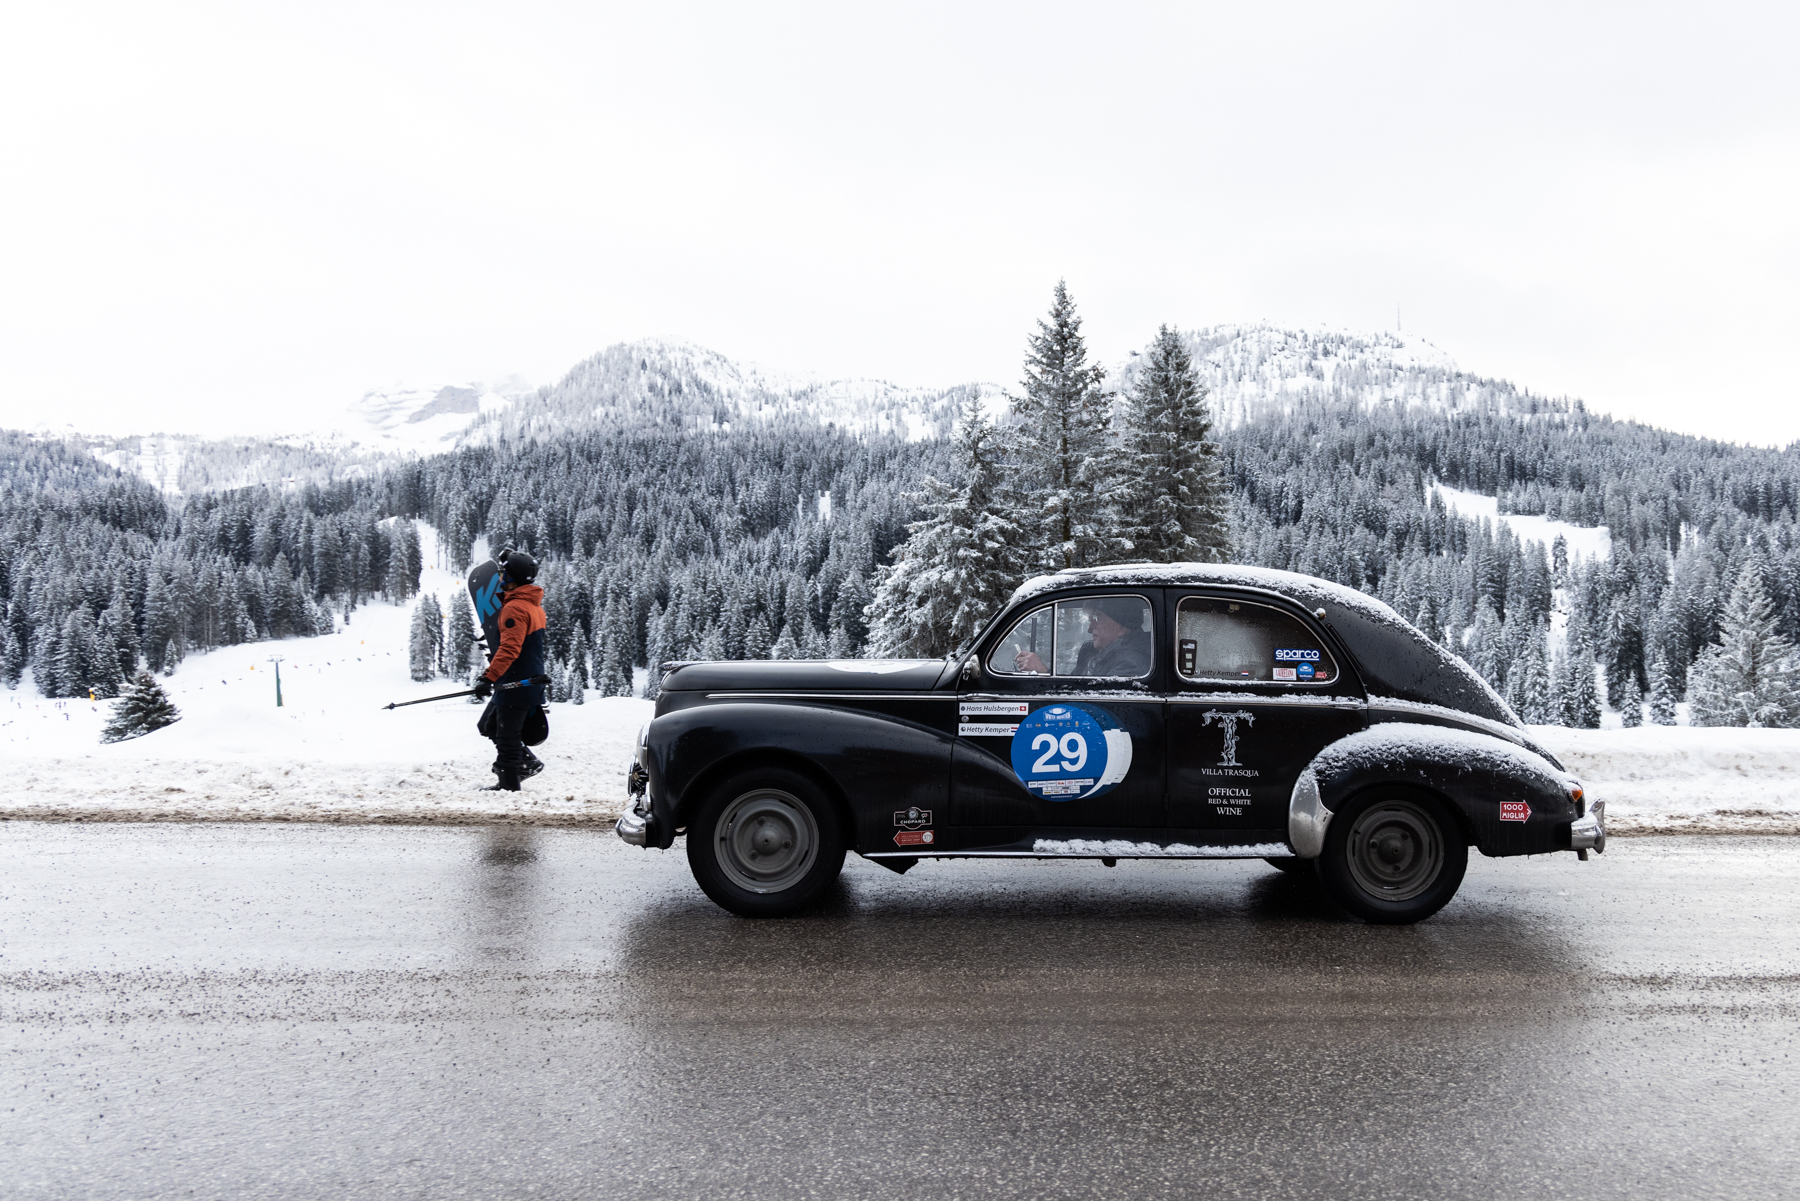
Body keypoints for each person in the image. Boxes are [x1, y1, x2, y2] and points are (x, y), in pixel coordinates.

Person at [473, 549, 547, 791]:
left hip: (516, 682)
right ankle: (526, 763)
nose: (500, 576)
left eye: (503, 572)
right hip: (524, 678)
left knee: (507, 737)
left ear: (510, 577)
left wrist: (488, 677)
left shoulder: (515, 608)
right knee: (488, 725)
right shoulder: (531, 606)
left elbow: (511, 649)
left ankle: (508, 786)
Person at [1013, 598, 1151, 677]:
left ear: (1123, 627)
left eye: (1098, 618)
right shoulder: (1094, 652)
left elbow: (1091, 703)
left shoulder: (1132, 663)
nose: (1089, 629)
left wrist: (1044, 672)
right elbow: (1074, 688)